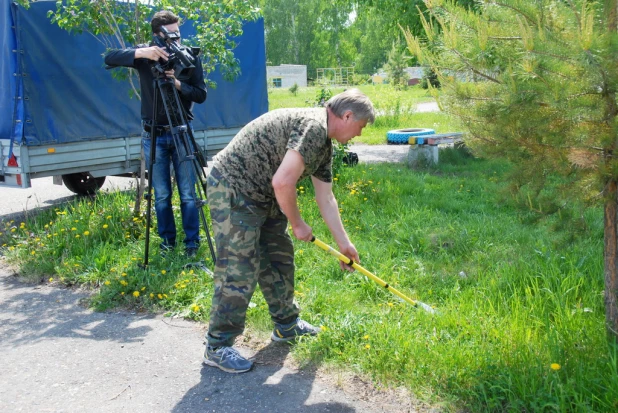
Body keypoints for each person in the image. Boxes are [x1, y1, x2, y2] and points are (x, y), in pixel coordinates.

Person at [203, 89, 375, 373]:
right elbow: (283, 182)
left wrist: (344, 244)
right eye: (361, 126)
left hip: (263, 194)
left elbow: (326, 198)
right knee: (239, 266)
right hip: (234, 187)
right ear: (347, 116)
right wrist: (297, 224)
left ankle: (286, 325)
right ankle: (217, 345)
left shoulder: (325, 146)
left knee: (279, 256)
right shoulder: (314, 127)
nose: (359, 134)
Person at [104, 10, 207, 257]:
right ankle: (167, 243)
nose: (175, 39)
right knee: (161, 195)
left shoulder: (188, 56)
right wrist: (142, 52)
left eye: (178, 34)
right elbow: (110, 58)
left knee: (188, 193)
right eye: (170, 34)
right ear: (157, 34)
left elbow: (201, 94)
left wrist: (178, 83)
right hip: (154, 134)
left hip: (181, 130)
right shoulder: (145, 56)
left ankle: (192, 243)